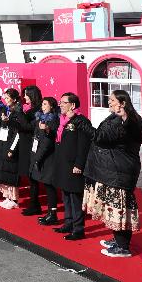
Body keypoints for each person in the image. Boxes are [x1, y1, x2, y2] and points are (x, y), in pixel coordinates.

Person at [83, 90, 142, 257]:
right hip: (111, 169)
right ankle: (118, 240)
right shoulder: (115, 118)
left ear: (122, 103)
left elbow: (101, 137)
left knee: (120, 209)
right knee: (112, 208)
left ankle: (123, 246)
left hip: (120, 170)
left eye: (112, 100)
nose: (109, 102)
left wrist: (84, 125)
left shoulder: (129, 120)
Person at [52, 93, 93, 241]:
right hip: (63, 164)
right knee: (66, 196)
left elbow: (83, 145)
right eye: (60, 102)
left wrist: (79, 164)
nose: (60, 105)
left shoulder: (81, 121)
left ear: (73, 105)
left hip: (74, 166)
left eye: (64, 102)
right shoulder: (63, 120)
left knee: (75, 198)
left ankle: (78, 229)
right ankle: (68, 223)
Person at [0, 88, 28, 209]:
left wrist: (12, 149)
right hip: (3, 143)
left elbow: (18, 133)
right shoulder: (6, 110)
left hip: (12, 145)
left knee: (11, 172)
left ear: (14, 99)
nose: (5, 100)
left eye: (8, 98)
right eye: (5, 98)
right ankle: (7, 197)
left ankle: (14, 199)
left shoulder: (18, 111)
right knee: (3, 171)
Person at [31, 97, 61, 225]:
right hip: (41, 154)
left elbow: (48, 142)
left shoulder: (53, 120)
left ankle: (53, 214)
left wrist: (38, 157)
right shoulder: (40, 118)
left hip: (49, 157)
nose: (42, 106)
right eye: (42, 104)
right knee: (47, 184)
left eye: (45, 104)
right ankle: (50, 212)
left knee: (49, 185)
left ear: (52, 107)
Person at [19, 85, 44, 215]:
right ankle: (33, 203)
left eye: (26, 95)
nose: (24, 98)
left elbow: (27, 126)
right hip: (26, 144)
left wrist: (20, 114)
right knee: (30, 177)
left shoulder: (38, 111)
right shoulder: (29, 109)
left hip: (33, 145)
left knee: (33, 177)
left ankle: (35, 205)